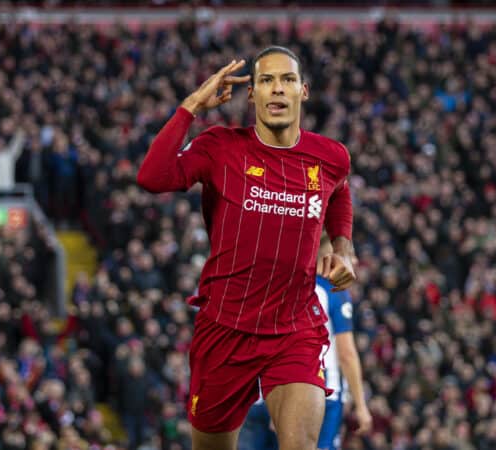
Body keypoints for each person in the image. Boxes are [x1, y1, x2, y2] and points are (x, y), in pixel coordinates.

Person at [137, 46, 356, 450]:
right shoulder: (220, 147)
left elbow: (340, 193)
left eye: (287, 80)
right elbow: (152, 176)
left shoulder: (330, 158)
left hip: (294, 328)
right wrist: (191, 107)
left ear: (302, 91)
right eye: (266, 81)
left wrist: (342, 246)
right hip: (225, 328)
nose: (277, 89)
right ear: (251, 94)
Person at [239, 233, 372, 450]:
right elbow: (346, 354)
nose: (354, 261)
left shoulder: (286, 285)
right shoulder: (333, 293)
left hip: (265, 391)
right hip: (320, 391)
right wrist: (361, 404)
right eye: (349, 255)